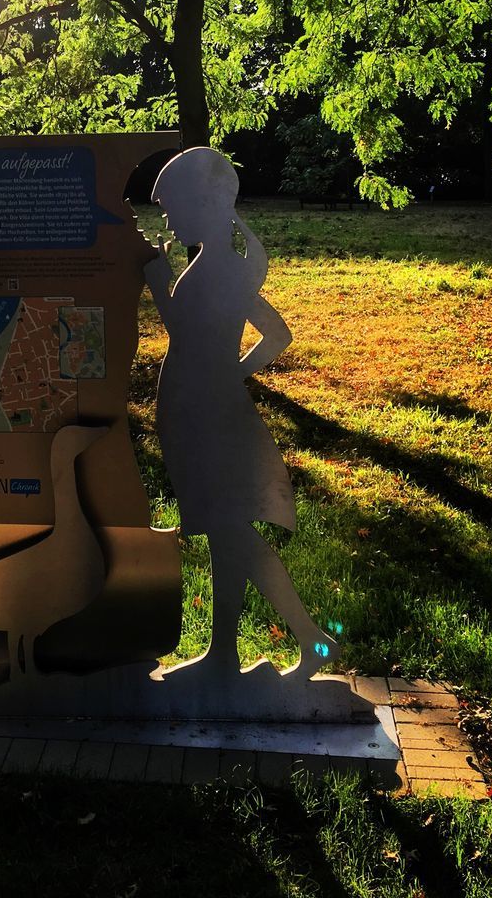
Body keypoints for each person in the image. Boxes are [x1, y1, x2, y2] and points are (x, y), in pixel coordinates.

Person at [143, 147, 338, 675]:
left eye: (170, 207)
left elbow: (186, 329)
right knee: (226, 535)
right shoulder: (218, 264)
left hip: (209, 419)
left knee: (234, 536)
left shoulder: (219, 268)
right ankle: (224, 654)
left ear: (203, 203)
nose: (167, 219)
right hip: (203, 412)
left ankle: (315, 640)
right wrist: (232, 372)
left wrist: (156, 273)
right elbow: (274, 332)